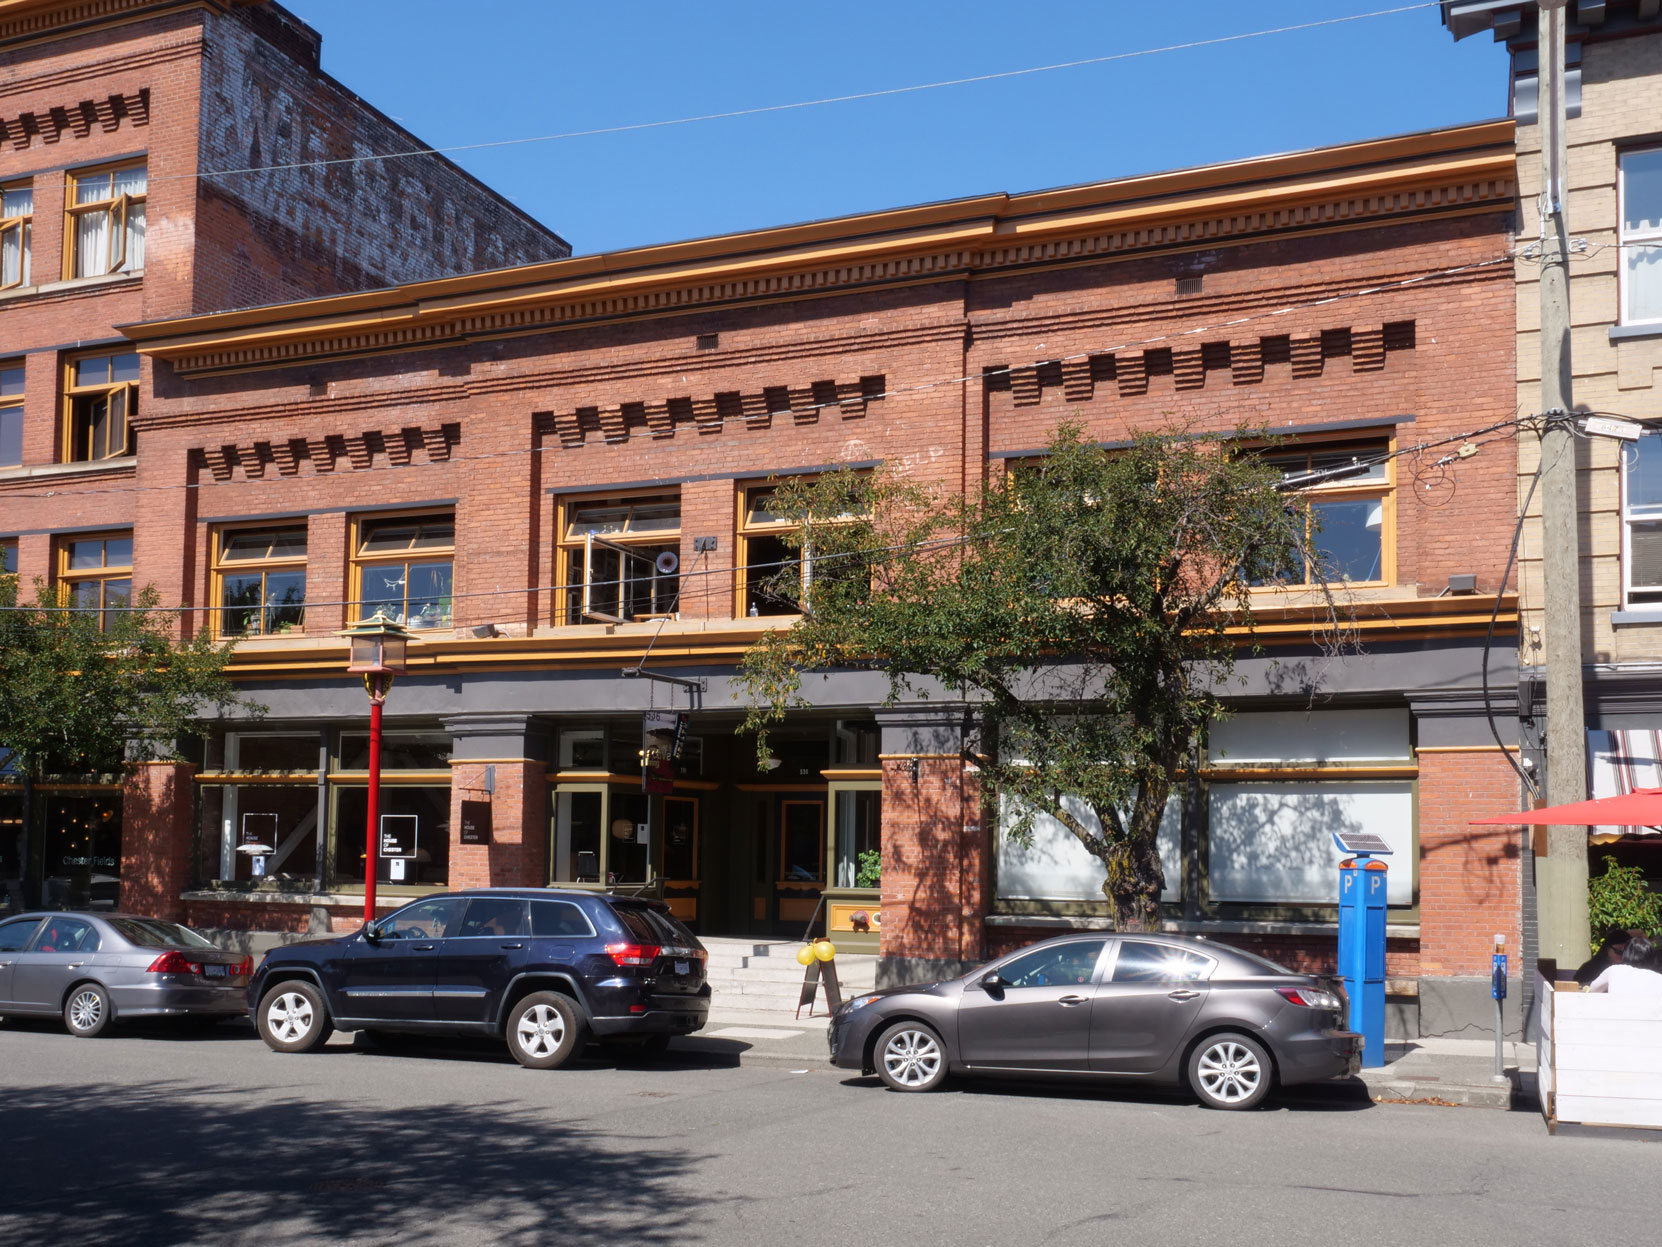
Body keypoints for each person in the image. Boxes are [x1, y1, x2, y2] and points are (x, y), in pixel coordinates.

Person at [1586, 934, 1662, 996]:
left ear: (1625, 954)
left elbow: (1593, 990)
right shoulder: (1659, 978)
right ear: (1653, 958)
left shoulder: (1614, 970)